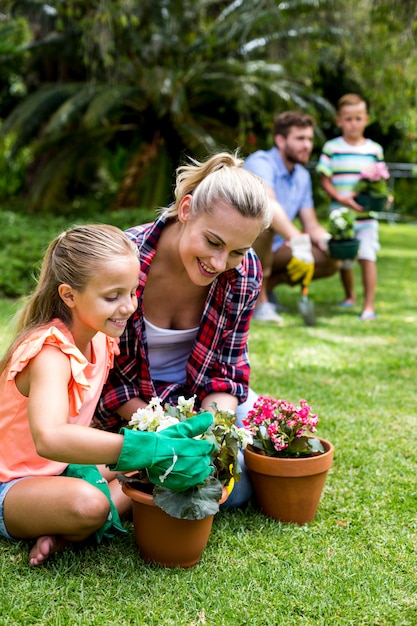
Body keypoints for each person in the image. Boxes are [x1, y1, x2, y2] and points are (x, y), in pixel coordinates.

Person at [0, 224, 216, 566]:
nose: (128, 306)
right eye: (112, 296)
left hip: (60, 470)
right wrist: (145, 448)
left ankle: (61, 531)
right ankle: (74, 522)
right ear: (69, 296)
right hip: (11, 482)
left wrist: (156, 444)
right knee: (91, 504)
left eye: (132, 292)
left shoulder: (101, 338)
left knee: (144, 471)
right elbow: (50, 437)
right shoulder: (50, 353)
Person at [93, 152, 272, 508]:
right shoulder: (126, 260)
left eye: (237, 251)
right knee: (195, 474)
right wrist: (164, 434)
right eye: (213, 242)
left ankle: (137, 485)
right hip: (129, 407)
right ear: (187, 209)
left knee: (239, 487)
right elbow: (110, 380)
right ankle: (101, 501)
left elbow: (227, 372)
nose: (220, 264)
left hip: (198, 403)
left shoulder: (245, 272)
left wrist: (209, 431)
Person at [244, 111, 337, 324]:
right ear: (280, 140)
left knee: (330, 259)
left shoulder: (302, 176)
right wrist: (299, 241)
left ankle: (264, 289)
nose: (307, 145)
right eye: (300, 138)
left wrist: (329, 241)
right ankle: (259, 303)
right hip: (245, 248)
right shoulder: (261, 162)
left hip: (277, 249)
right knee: (264, 221)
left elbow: (311, 223)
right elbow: (268, 203)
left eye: (310, 139)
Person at [316, 93, 385, 320]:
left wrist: (385, 197)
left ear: (366, 119)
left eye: (358, 118)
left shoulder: (374, 149)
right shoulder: (331, 147)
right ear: (339, 121)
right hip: (342, 214)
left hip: (366, 215)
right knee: (345, 258)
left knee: (367, 256)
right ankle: (349, 296)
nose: (353, 123)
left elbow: (379, 179)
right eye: (348, 119)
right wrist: (340, 198)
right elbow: (324, 178)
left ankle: (369, 306)